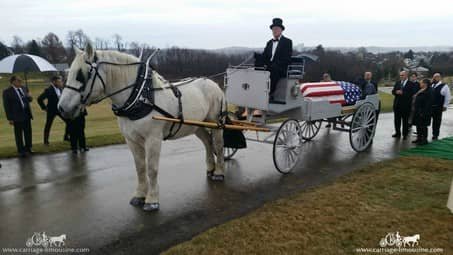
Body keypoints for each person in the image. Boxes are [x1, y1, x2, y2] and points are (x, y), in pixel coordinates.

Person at [262, 17, 293, 102]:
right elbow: (264, 56)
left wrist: (274, 65)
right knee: (258, 71)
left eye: (276, 29)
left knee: (272, 71)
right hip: (270, 67)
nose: (274, 31)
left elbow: (287, 58)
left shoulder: (287, 42)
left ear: (281, 30)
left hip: (281, 68)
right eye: (273, 29)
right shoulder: (269, 43)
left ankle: (269, 94)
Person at [2, 76, 33, 157]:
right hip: (16, 116)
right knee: (18, 134)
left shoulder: (24, 88)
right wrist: (10, 118)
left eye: (21, 80)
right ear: (13, 82)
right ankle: (21, 150)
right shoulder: (7, 92)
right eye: (18, 81)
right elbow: (6, 106)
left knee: (28, 132)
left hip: (26, 114)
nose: (20, 82)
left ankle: (28, 148)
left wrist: (30, 96)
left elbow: (29, 100)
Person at [38, 76, 69, 145]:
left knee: (69, 122)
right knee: (48, 125)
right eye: (59, 82)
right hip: (51, 110)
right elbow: (39, 99)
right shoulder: (48, 90)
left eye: (60, 81)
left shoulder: (61, 89)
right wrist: (44, 108)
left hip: (60, 110)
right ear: (54, 82)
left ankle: (66, 137)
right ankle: (46, 141)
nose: (60, 83)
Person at [391, 71, 418, 140]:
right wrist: (396, 92)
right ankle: (397, 133)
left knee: (405, 121)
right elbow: (393, 91)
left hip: (406, 106)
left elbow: (412, 93)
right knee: (397, 120)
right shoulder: (398, 83)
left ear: (406, 76)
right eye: (400, 75)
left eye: (402, 75)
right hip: (397, 105)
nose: (401, 76)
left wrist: (403, 93)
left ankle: (405, 134)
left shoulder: (411, 84)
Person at [409, 79, 433, 145]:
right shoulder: (421, 89)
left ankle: (424, 140)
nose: (420, 84)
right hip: (417, 111)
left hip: (424, 112)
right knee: (418, 125)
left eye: (421, 83)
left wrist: (423, 112)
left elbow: (428, 103)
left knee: (423, 126)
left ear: (425, 84)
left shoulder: (429, 91)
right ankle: (419, 138)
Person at [430, 73, 451, 140]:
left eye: (436, 77)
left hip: (438, 107)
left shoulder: (444, 86)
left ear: (439, 78)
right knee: (427, 120)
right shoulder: (432, 85)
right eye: (433, 77)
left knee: (436, 121)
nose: (434, 79)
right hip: (430, 106)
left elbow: (448, 96)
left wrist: (445, 106)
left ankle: (435, 134)